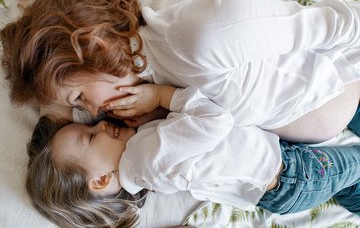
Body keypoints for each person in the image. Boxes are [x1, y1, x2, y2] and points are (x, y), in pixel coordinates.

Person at [3, 0, 360, 144]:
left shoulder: (204, 36)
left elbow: (339, 26)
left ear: (96, 47)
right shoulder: (150, 87)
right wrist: (162, 106)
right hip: (312, 132)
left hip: (343, 87)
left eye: (80, 97)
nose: (92, 112)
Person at [27, 83, 360, 228]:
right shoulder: (147, 159)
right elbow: (216, 120)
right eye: (88, 136)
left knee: (350, 184)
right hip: (294, 175)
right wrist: (161, 95)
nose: (99, 125)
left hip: (278, 179)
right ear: (101, 180)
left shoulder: (144, 170)